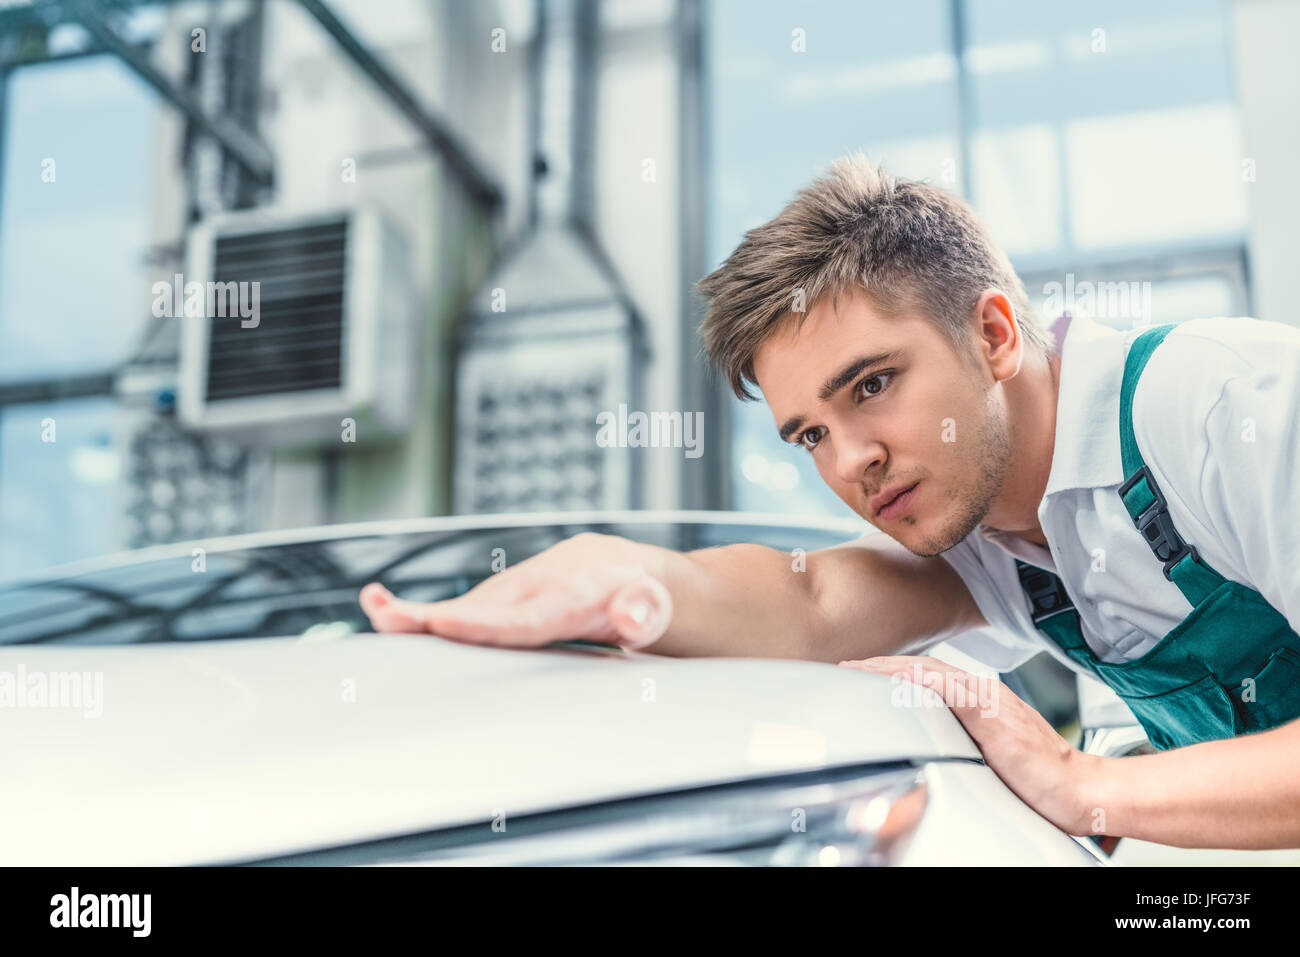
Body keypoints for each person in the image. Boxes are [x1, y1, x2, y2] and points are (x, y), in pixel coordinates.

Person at [359, 153, 1300, 850]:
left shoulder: (1223, 408)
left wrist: (1084, 785)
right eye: (808, 433)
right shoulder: (983, 536)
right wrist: (619, 577)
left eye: (872, 384)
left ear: (995, 333)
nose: (852, 462)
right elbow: (808, 603)